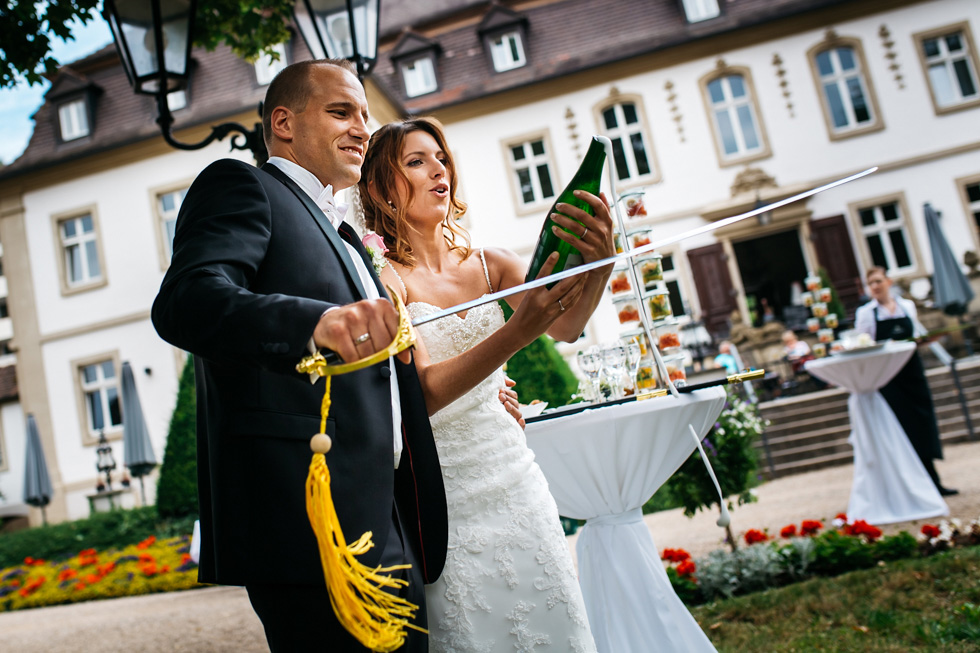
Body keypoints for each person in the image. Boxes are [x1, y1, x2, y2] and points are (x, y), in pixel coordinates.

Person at [151, 59, 449, 652]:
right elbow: (187, 300)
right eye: (342, 112)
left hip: (381, 507)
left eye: (365, 114)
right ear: (283, 122)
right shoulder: (242, 185)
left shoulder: (344, 229)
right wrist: (314, 323)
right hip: (309, 515)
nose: (363, 128)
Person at [358, 117, 612, 651]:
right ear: (380, 187)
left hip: (513, 476)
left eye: (441, 158)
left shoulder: (490, 263)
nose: (438, 171)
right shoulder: (384, 281)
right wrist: (517, 332)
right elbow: (422, 392)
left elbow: (567, 325)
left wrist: (601, 264)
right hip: (446, 494)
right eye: (416, 162)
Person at [854, 266, 957, 496]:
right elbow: (864, 346)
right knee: (900, 427)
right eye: (871, 283)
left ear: (888, 282)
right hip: (889, 376)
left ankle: (933, 479)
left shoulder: (906, 306)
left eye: (879, 281)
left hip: (912, 371)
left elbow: (913, 337)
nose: (876, 286)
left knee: (923, 423)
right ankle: (910, 486)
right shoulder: (867, 313)